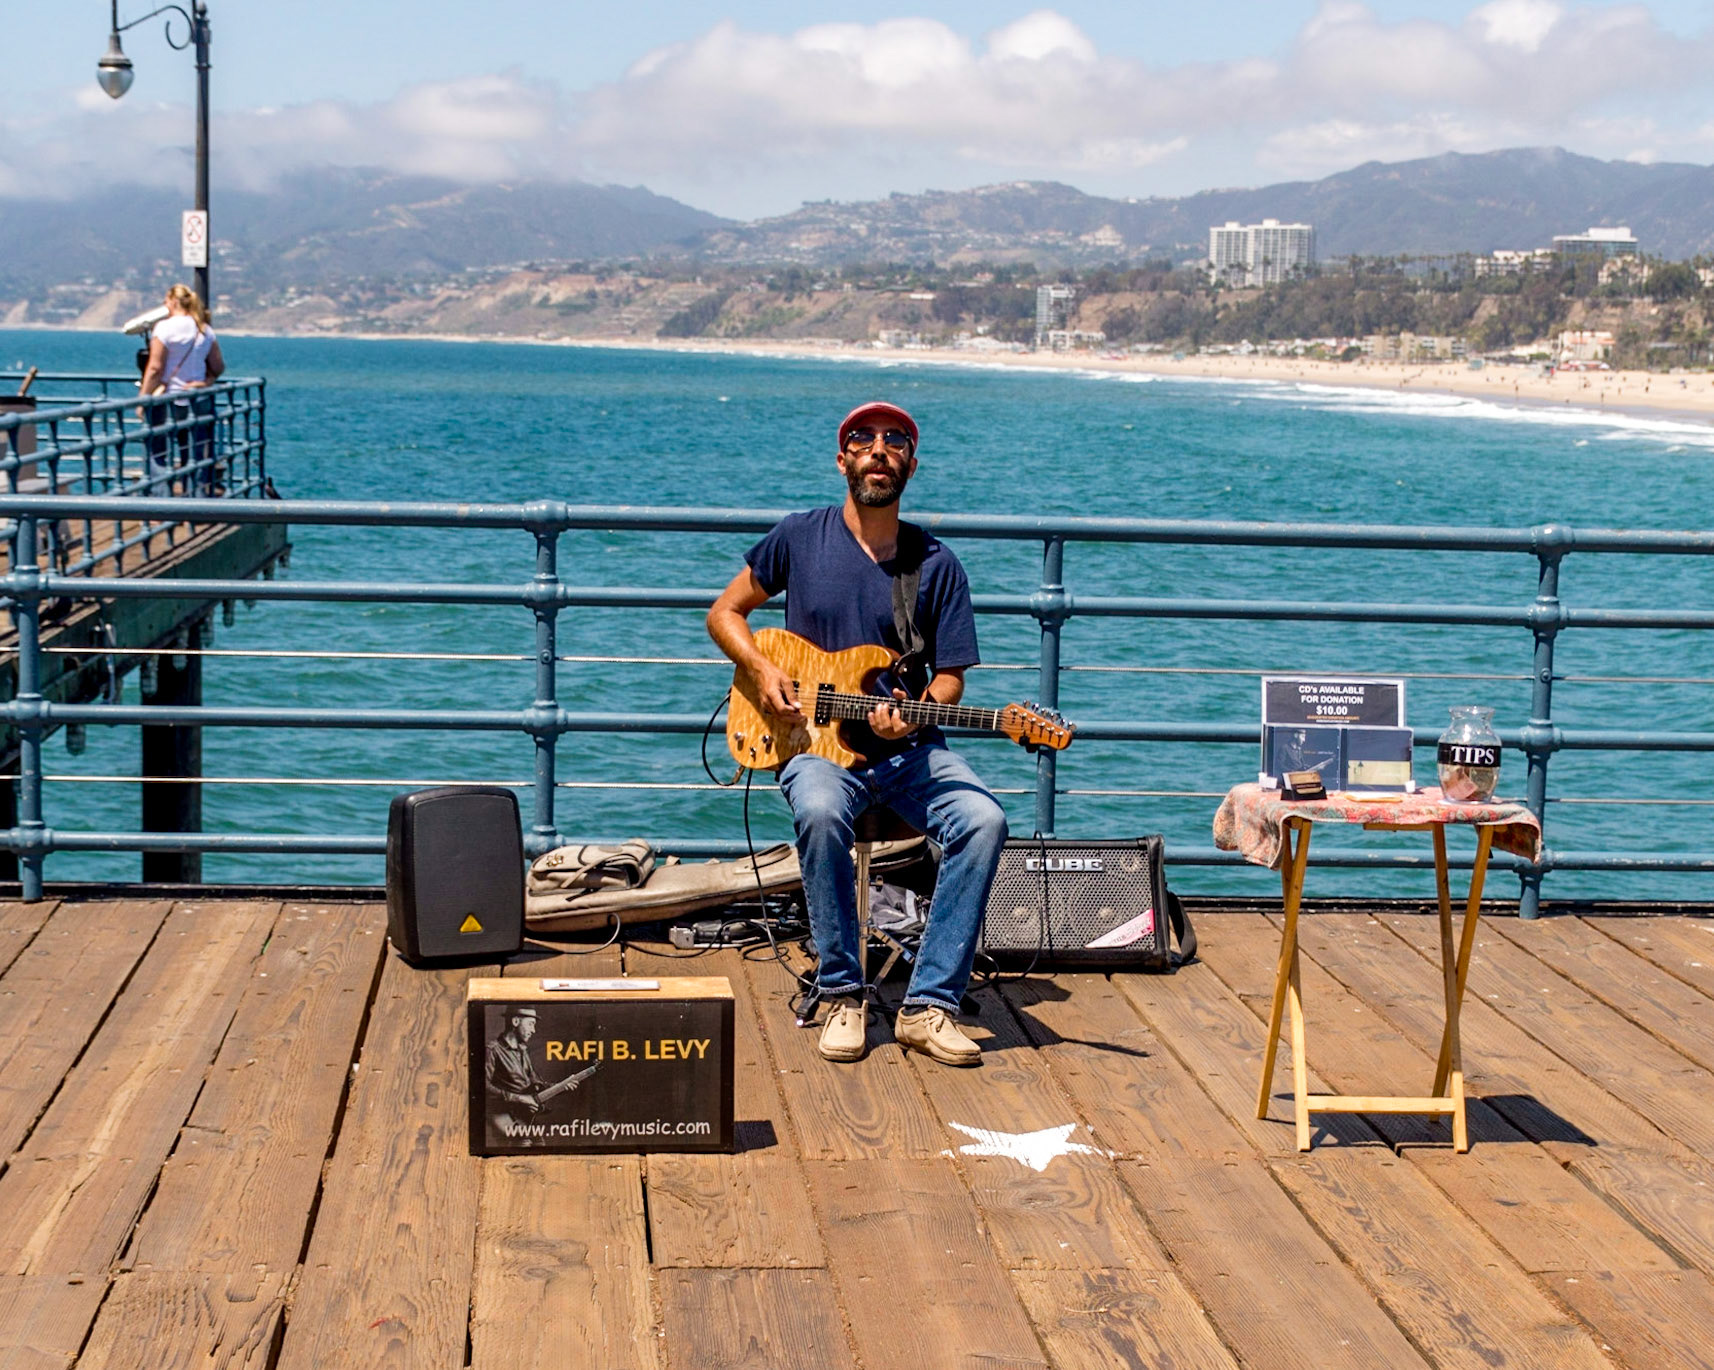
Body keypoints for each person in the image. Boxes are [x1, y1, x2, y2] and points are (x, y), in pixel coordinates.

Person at [707, 401, 1008, 1067]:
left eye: (894, 440)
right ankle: (844, 992)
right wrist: (759, 669)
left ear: (911, 465)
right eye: (862, 440)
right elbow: (726, 611)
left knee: (984, 820)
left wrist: (920, 707)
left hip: (909, 752)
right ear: (842, 459)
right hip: (815, 746)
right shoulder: (798, 537)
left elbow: (952, 677)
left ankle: (929, 1005)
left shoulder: (936, 564)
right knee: (817, 808)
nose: (878, 450)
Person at [137, 283, 225, 494]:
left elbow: (155, 368)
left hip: (168, 399)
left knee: (158, 450)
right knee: (195, 453)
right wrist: (206, 382)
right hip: (197, 399)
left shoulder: (164, 328)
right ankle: (195, 503)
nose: (164, 305)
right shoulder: (204, 329)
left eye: (166, 301)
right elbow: (218, 366)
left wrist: (143, 399)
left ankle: (161, 503)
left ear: (174, 302)